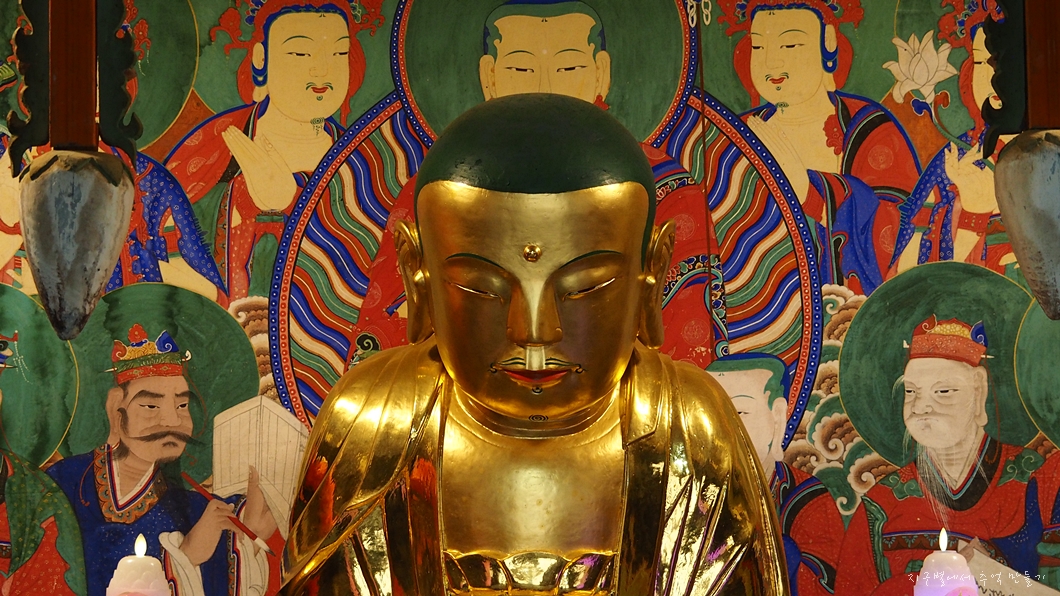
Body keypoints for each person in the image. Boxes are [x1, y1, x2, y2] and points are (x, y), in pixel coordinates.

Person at [281, 94, 786, 595]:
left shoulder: (692, 429)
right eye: (483, 287)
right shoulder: (369, 426)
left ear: (650, 274)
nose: (535, 331)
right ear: (418, 275)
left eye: (585, 287)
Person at [350, 0, 727, 374]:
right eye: (520, 68)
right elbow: (391, 332)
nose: (546, 86)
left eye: (569, 67)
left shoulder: (663, 188)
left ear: (602, 72)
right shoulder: (442, 188)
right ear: (489, 76)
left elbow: (685, 340)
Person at [166, 0, 384, 306]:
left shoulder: (364, 158)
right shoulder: (217, 144)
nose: (322, 69)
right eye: (301, 53)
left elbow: (380, 264)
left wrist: (292, 200)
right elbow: (153, 240)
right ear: (261, 59)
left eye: (338, 53)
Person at [47, 324, 279, 596]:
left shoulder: (196, 508)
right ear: (116, 409)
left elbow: (228, 571)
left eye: (182, 405)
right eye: (151, 406)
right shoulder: (63, 483)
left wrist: (245, 542)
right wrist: (185, 557)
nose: (172, 421)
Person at [836, 315, 1053, 594]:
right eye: (911, 391)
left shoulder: (1041, 481)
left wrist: (989, 570)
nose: (920, 407)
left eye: (943, 391)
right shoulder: (883, 504)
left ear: (979, 391)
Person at [718, 0, 922, 294]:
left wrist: (810, 193)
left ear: (827, 41)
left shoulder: (867, 129)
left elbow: (903, 231)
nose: (771, 62)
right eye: (759, 46)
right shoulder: (735, 134)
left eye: (790, 45)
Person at [892, 0, 1017, 276]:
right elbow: (907, 279)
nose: (994, 77)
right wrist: (971, 213)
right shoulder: (955, 159)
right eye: (982, 62)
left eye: (1004, 61)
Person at [708, 353, 845, 596]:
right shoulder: (696, 493)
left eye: (740, 413)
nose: (723, 427)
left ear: (778, 417)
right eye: (712, 413)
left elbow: (824, 585)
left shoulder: (806, 500)